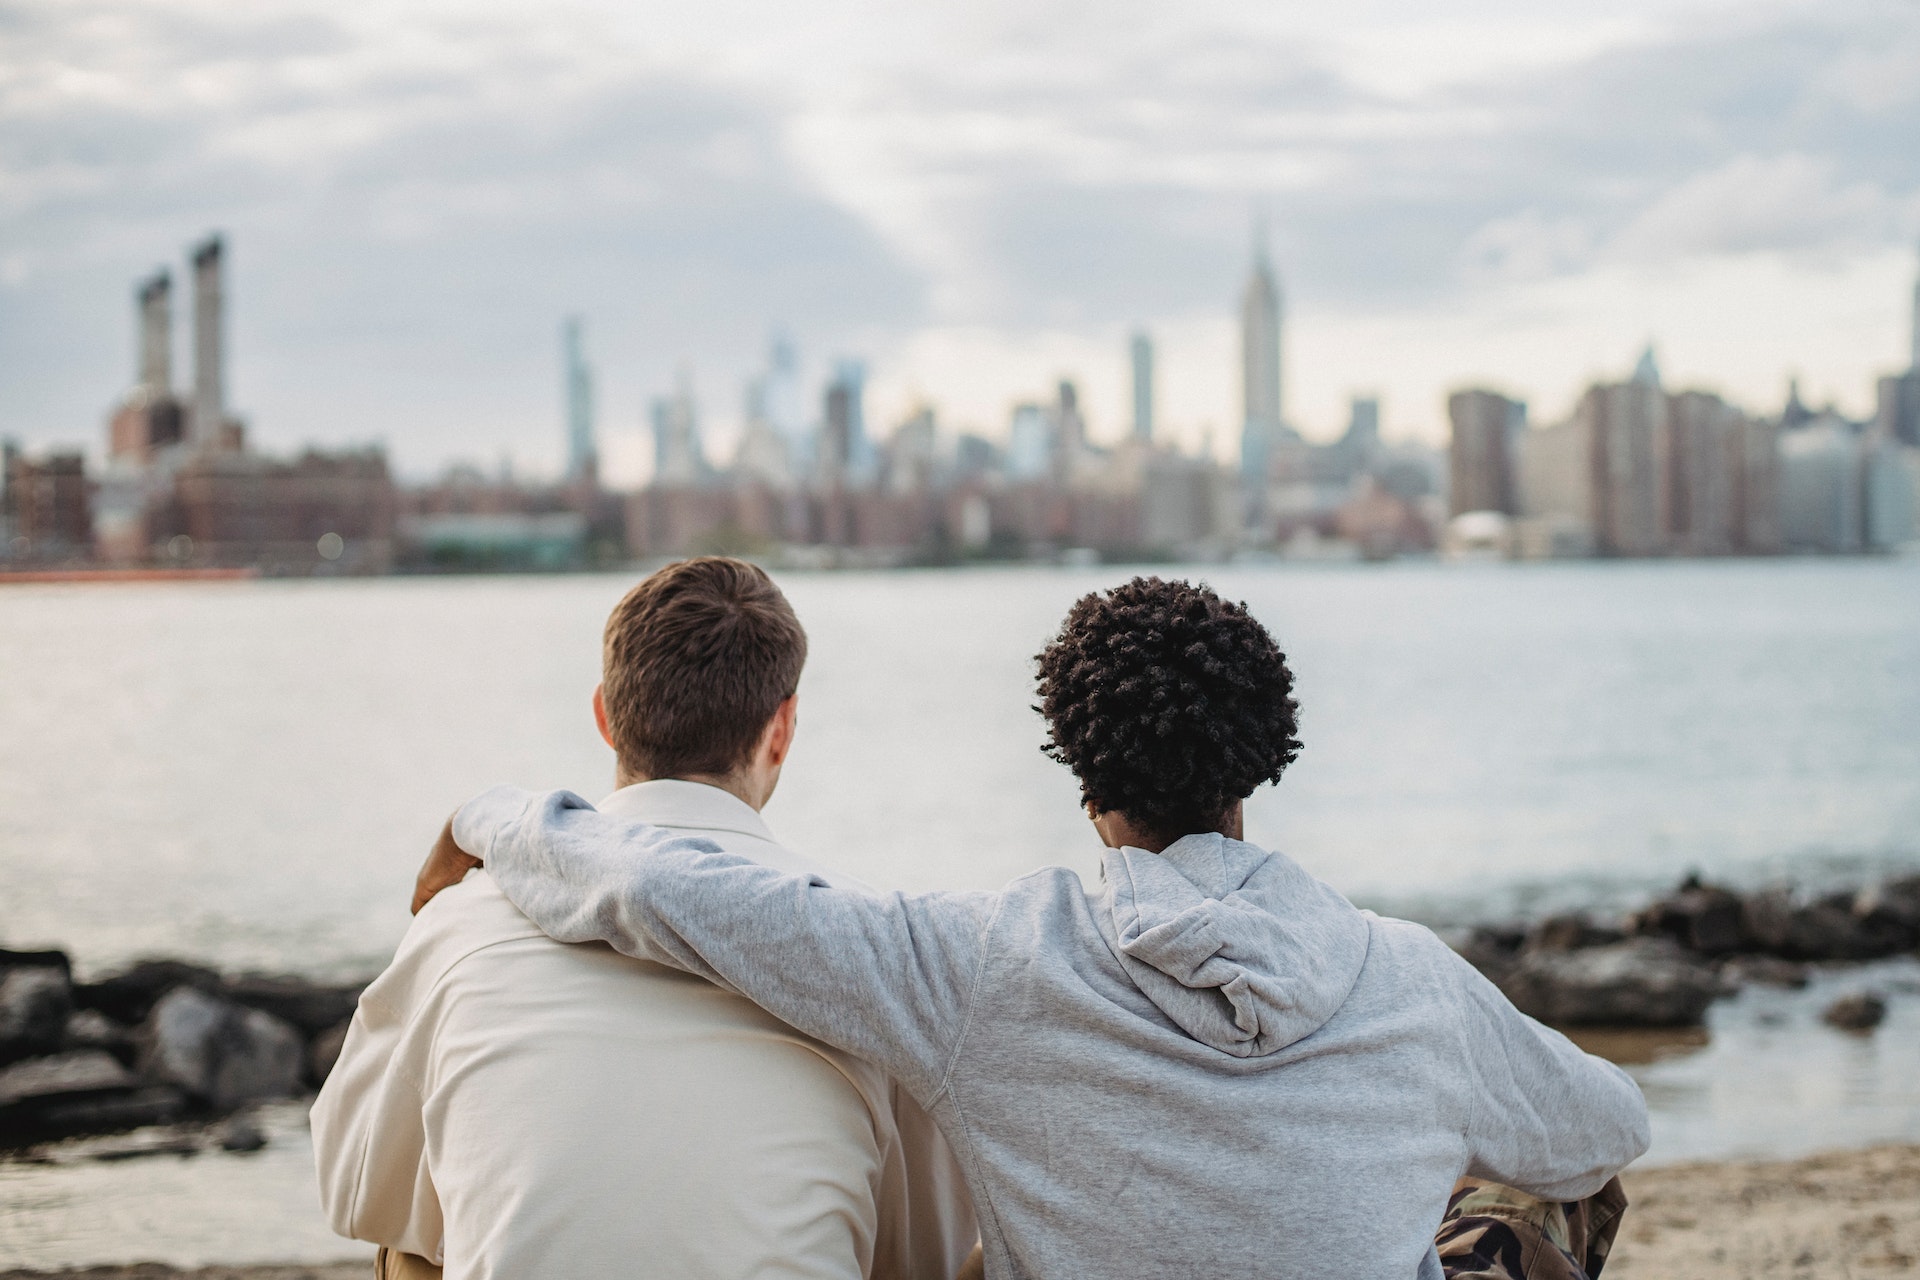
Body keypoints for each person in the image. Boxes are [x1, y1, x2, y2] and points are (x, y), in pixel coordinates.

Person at [420, 576, 1649, 1280]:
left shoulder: (975, 962)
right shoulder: (1411, 980)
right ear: (1260, 763)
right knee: (1546, 1194)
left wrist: (495, 817)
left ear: (1079, 766)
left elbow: (674, 892)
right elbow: (1606, 1131)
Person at [312, 557, 977, 1280]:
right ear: (780, 730)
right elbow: (922, 1259)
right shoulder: (872, 954)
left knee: (409, 1243)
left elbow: (350, 1186)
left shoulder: (464, 923)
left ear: (604, 714)